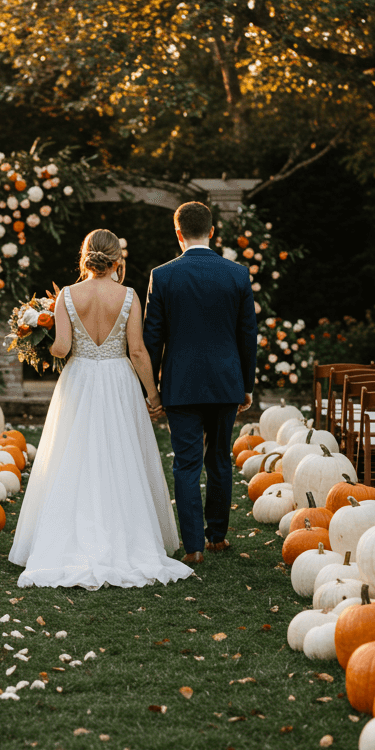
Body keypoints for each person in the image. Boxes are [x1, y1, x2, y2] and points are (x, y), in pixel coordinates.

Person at [9, 228, 192, 589]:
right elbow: (138, 351)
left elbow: (61, 349)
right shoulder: (128, 295)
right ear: (116, 260)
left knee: (72, 456)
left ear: (86, 256)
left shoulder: (66, 295)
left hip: (79, 381)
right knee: (120, 455)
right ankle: (125, 535)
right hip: (118, 381)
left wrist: (36, 331)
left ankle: (67, 539)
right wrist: (153, 396)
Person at [143, 201, 258, 565]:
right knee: (220, 459)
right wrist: (247, 384)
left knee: (187, 464)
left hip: (181, 384)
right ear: (212, 232)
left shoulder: (162, 276)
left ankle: (193, 547)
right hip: (226, 382)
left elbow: (152, 338)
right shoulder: (237, 274)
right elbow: (247, 335)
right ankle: (217, 537)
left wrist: (153, 389)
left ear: (178, 234)